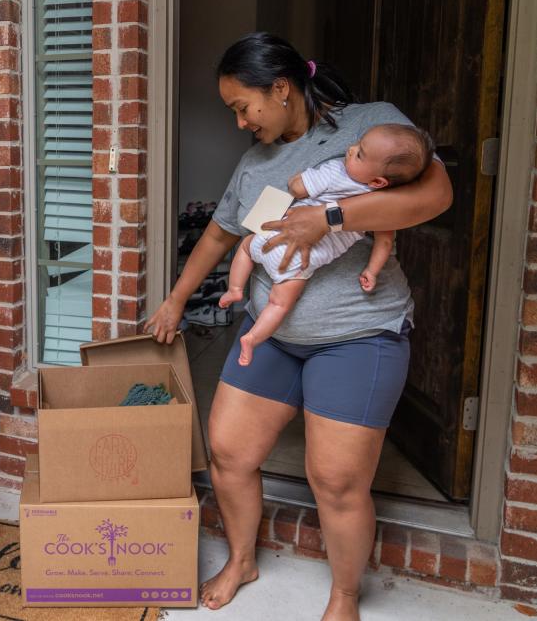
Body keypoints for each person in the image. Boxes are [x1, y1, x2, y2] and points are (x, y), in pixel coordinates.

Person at [146, 33, 452, 621]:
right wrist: (175, 300)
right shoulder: (255, 163)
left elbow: (435, 194)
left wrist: (332, 216)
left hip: (359, 334)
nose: (239, 122)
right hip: (273, 329)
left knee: (335, 481)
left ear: (281, 88)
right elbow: (220, 234)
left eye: (242, 107)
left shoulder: (368, 127)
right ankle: (242, 559)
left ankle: (343, 598)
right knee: (230, 453)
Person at [219, 123, 435, 366]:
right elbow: (384, 243)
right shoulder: (381, 207)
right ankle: (253, 338)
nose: (350, 149)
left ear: (378, 181)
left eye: (360, 153)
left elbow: (297, 188)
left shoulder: (335, 172)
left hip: (271, 236)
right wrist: (371, 271)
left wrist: (297, 178)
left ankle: (235, 288)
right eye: (357, 144)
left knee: (246, 247)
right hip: (299, 265)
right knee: (279, 304)